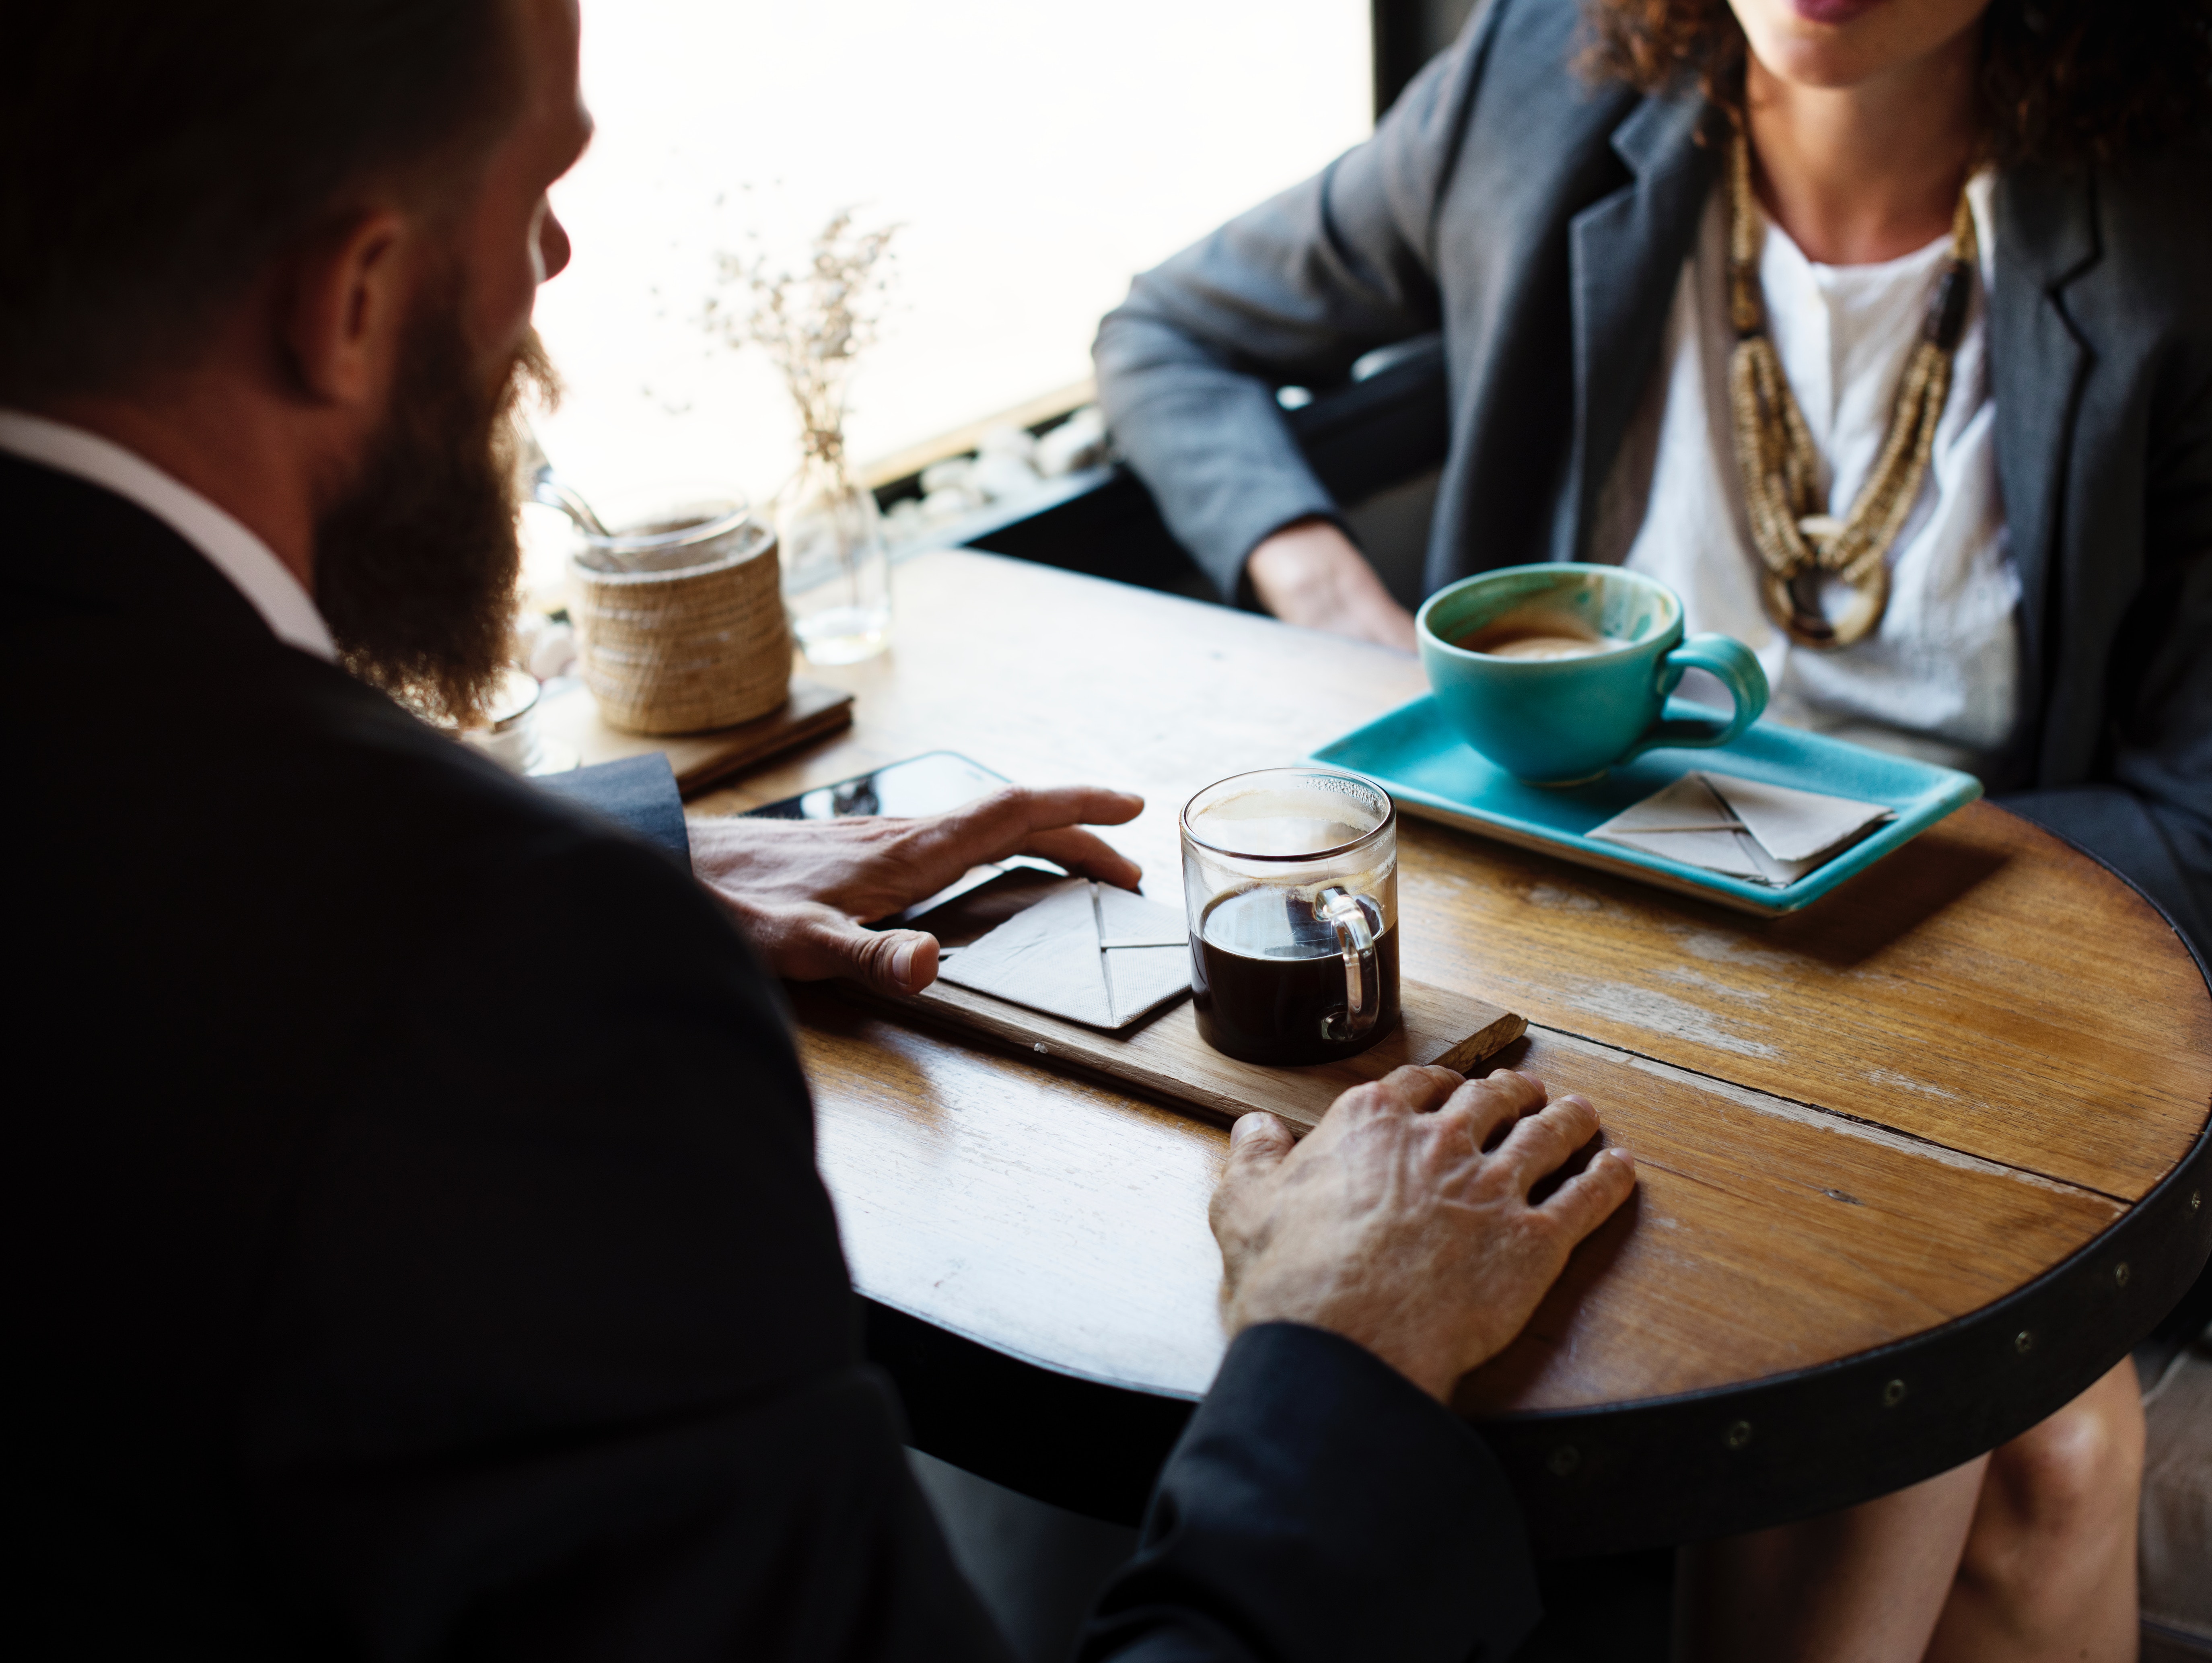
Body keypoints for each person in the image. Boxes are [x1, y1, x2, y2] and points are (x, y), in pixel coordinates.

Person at [1, 1, 1646, 1657]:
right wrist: (1338, 1361)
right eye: (535, 196)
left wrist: (643, 850)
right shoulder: (508, 1006)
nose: (552, 264)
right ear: (351, 302)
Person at [1093, 0, 2212, 1658]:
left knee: (2037, 1458)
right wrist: (1325, 588)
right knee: (2046, 1447)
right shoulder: (1519, 96)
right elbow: (1165, 335)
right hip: (1635, 953)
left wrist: (1762, 864)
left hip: (2053, 972)